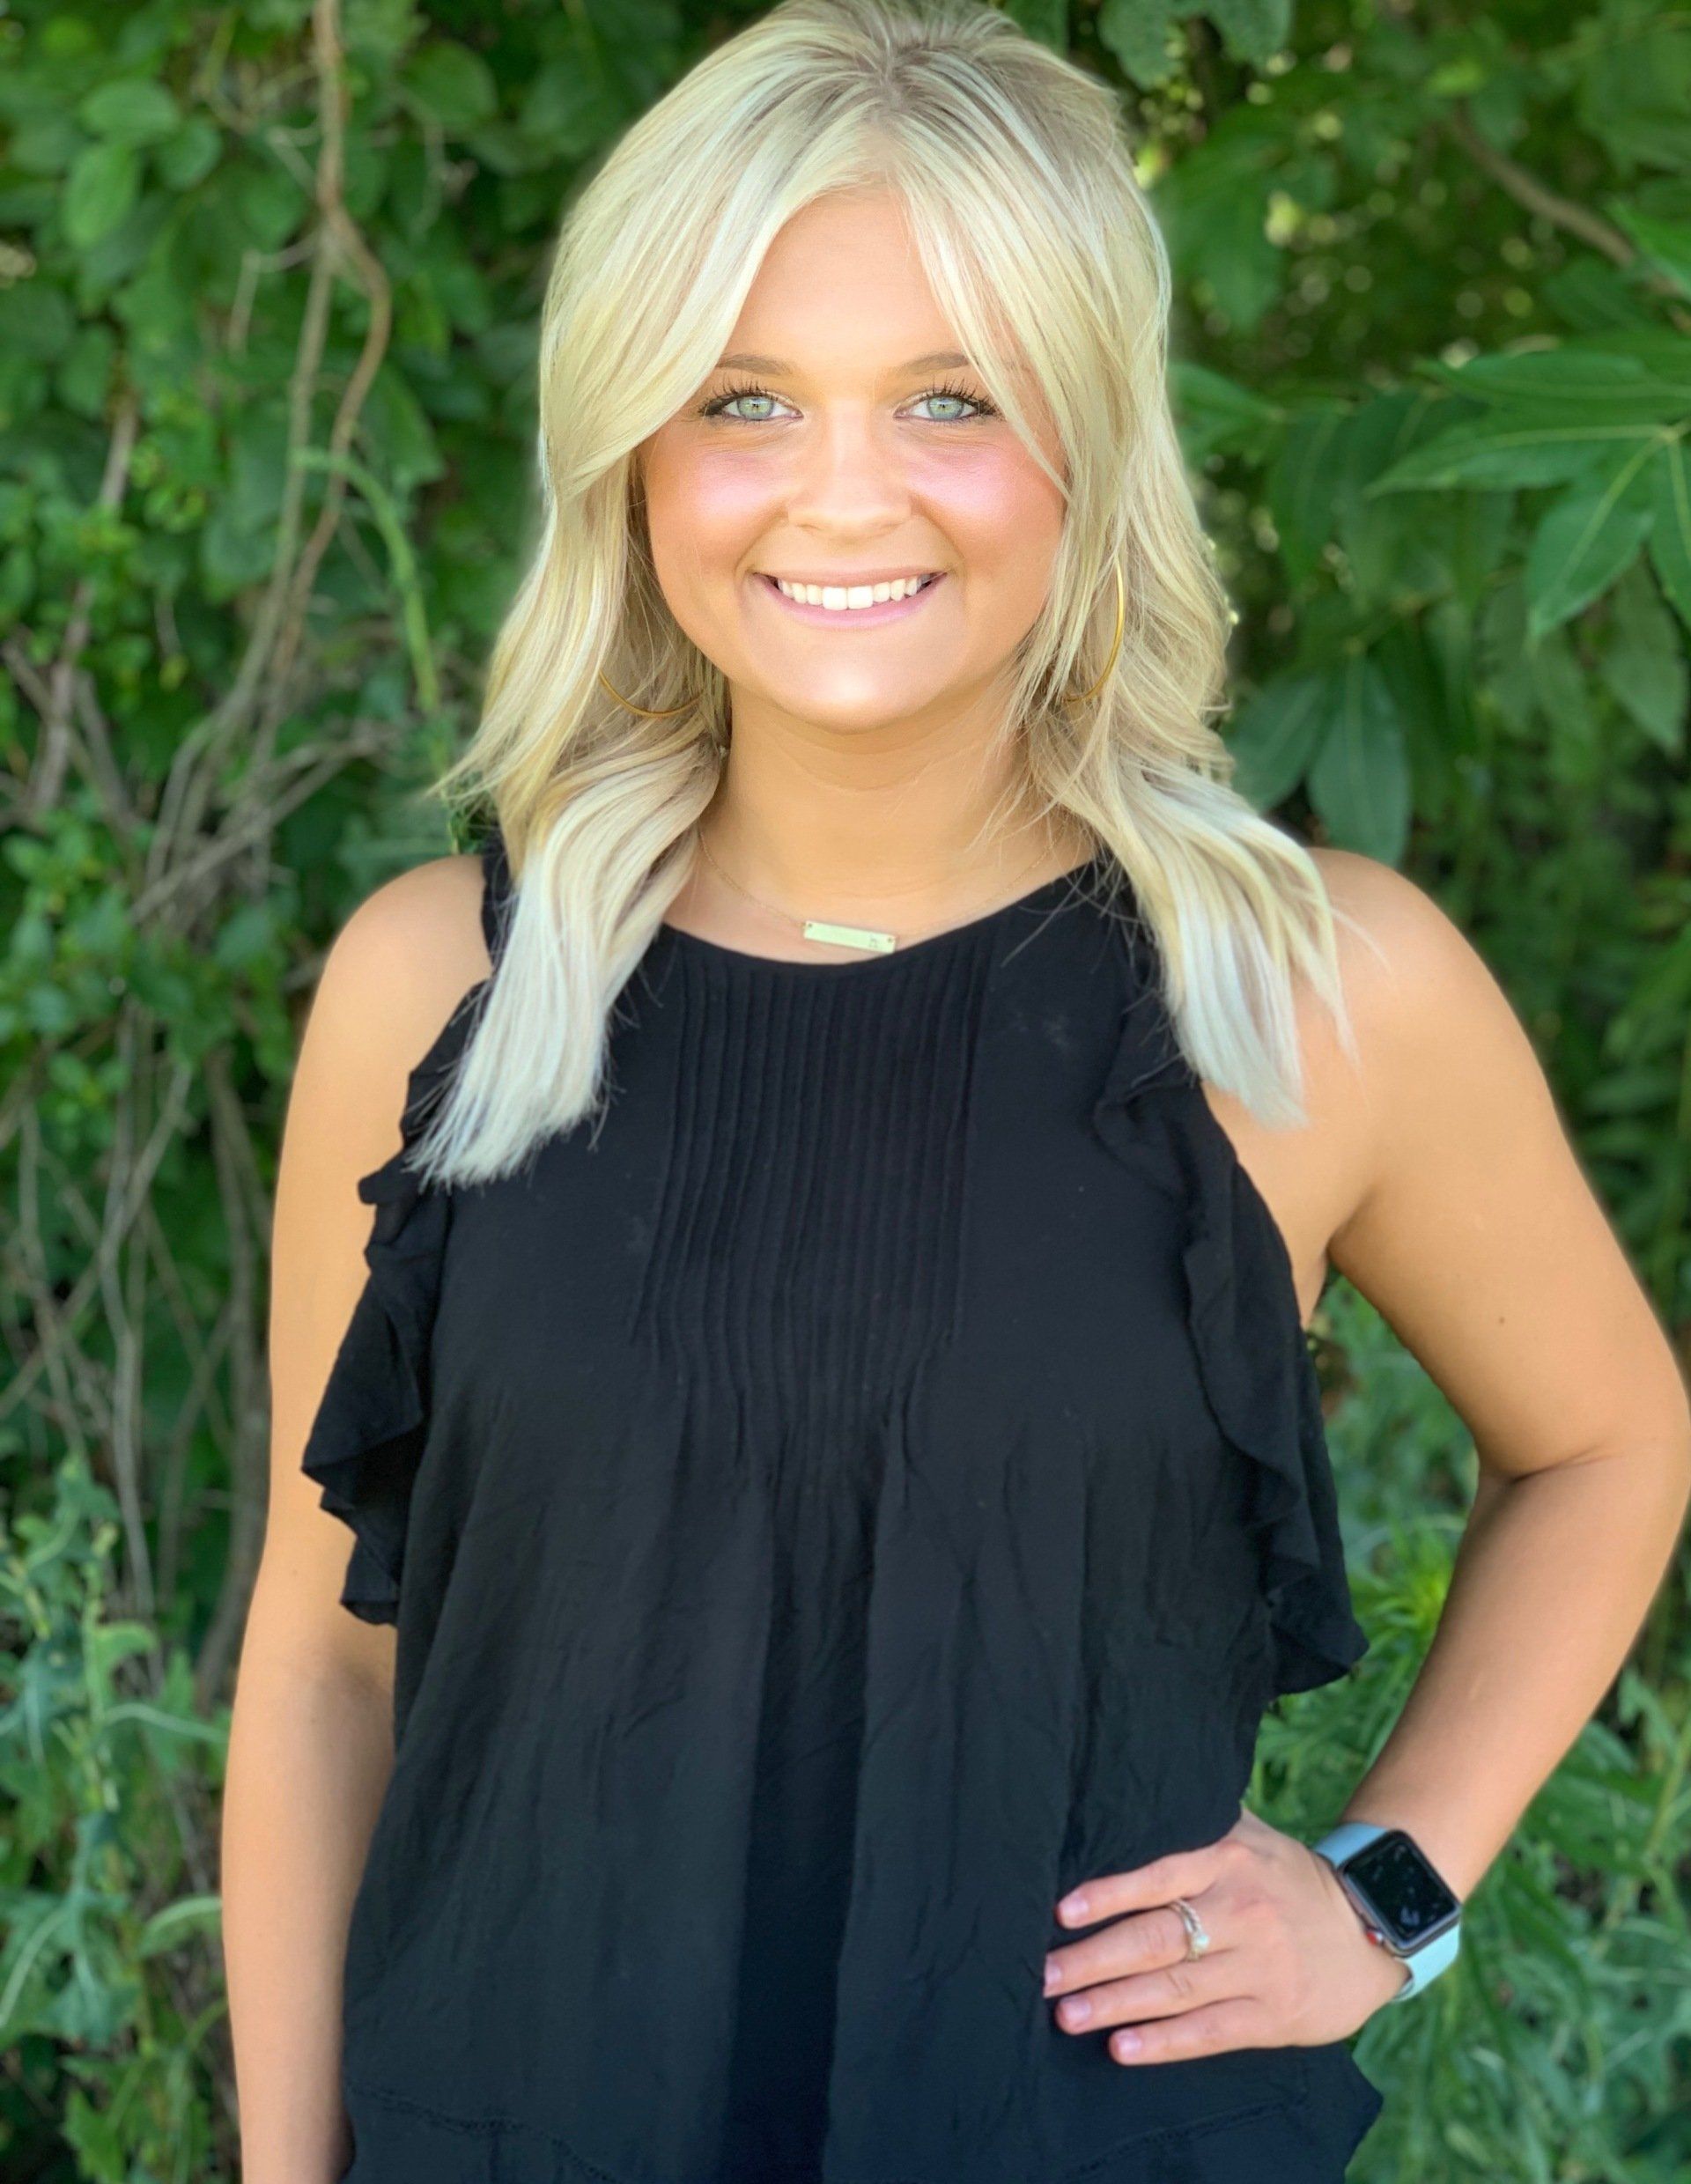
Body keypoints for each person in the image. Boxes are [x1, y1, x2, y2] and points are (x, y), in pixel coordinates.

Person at [220, 1, 1691, 2179]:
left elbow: (1606, 1444)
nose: (845, 490)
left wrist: (1386, 1891)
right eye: (744, 396)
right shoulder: (447, 988)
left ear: (1090, 441)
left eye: (952, 395)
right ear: (633, 454)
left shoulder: (1307, 991)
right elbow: (324, 1668)